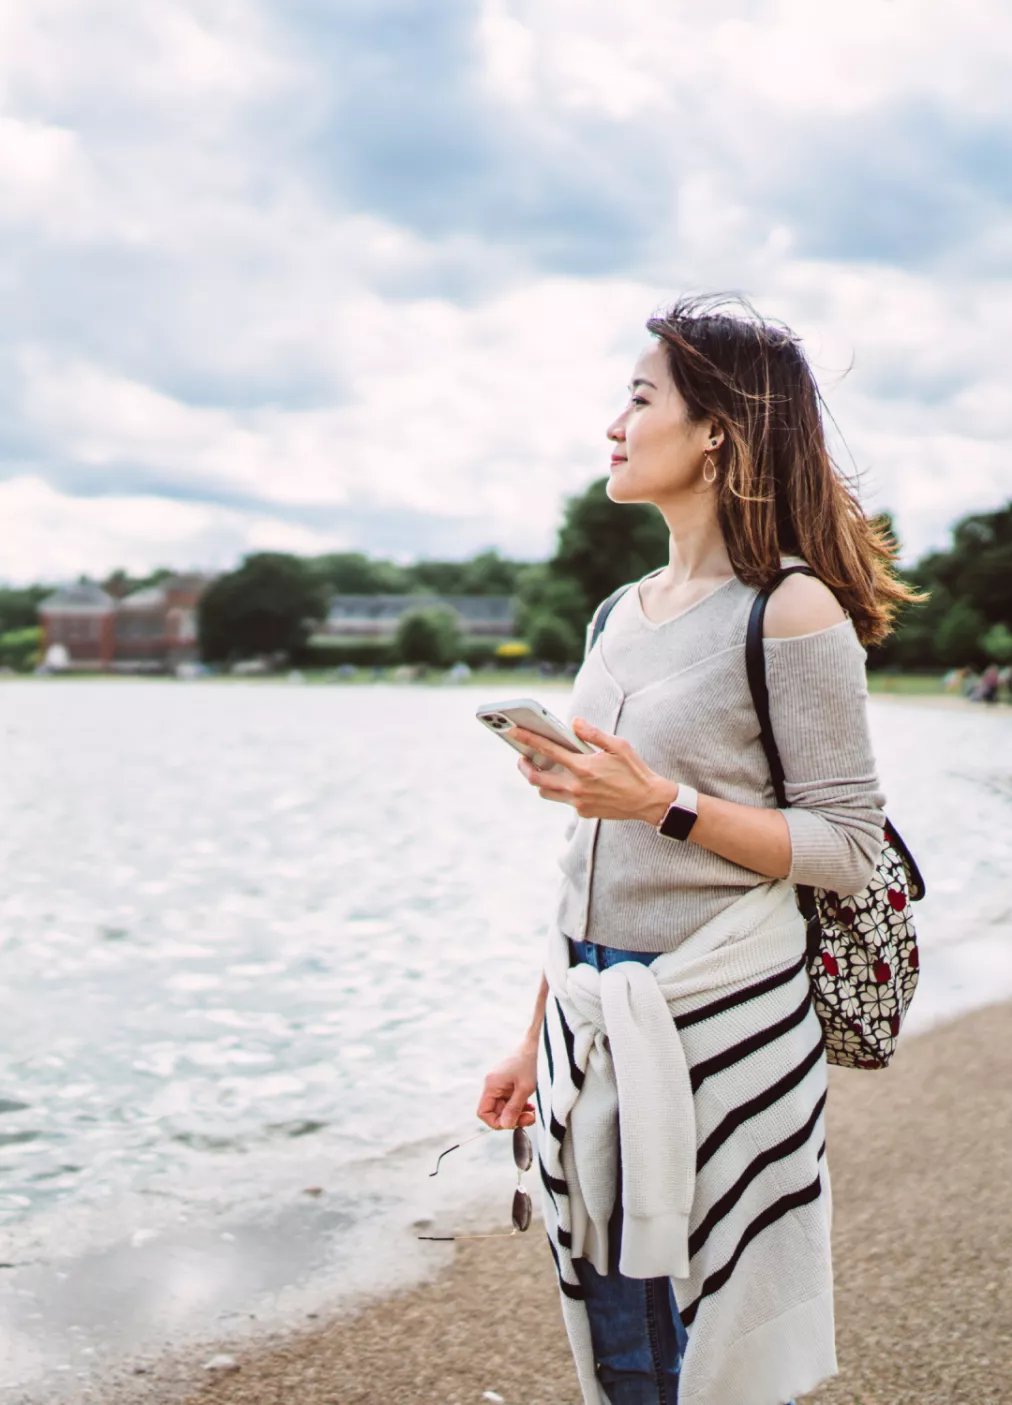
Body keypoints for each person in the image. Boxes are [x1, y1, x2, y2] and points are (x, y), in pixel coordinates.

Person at [476, 297, 918, 1405]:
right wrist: (532, 1038)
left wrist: (657, 800)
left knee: (705, 1338)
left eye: (638, 397)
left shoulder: (790, 611)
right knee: (621, 1344)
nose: (613, 424)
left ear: (715, 428)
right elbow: (586, 859)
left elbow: (847, 847)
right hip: (592, 1019)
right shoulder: (615, 613)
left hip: (718, 1022)